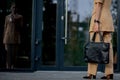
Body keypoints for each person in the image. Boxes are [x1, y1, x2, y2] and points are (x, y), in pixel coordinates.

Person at [83, 0, 114, 79]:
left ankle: (91, 73)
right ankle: (109, 73)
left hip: (99, 20)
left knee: (93, 48)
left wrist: (96, 22)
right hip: (108, 20)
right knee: (108, 48)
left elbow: (99, 5)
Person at [3, 2, 23, 69]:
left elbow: (21, 27)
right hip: (8, 37)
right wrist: (4, 39)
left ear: (17, 9)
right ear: (10, 8)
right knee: (8, 54)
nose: (14, 9)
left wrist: (15, 20)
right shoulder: (7, 17)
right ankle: (8, 67)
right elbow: (5, 28)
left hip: (15, 38)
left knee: (14, 54)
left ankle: (13, 67)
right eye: (12, 7)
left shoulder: (20, 17)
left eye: (15, 7)